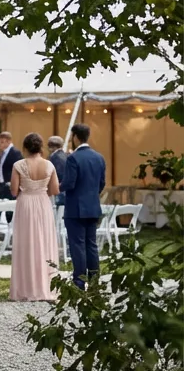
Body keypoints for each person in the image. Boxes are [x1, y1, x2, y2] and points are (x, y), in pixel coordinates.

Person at [10, 132, 61, 301]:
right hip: (42, 204)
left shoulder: (18, 165)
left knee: (26, 243)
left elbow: (13, 191)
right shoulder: (49, 165)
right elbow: (55, 190)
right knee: (44, 242)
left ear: (25, 147)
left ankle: (26, 288)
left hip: (25, 204)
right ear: (41, 147)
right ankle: (46, 287)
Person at [61, 123, 107, 289]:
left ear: (75, 137)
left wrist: (56, 186)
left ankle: (79, 282)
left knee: (77, 245)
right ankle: (94, 281)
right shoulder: (99, 157)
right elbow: (102, 184)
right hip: (93, 207)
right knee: (91, 244)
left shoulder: (73, 158)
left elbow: (69, 183)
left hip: (75, 209)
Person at [0, 131, 24, 200]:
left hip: (9, 185)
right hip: (1, 185)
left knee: (9, 208)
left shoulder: (15, 153)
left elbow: (19, 170)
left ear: (8, 142)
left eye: (2, 142)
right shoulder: (2, 153)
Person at [47, 136, 68, 205]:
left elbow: (56, 175)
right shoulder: (65, 155)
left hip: (58, 193)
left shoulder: (55, 157)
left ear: (51, 147)